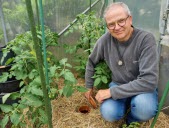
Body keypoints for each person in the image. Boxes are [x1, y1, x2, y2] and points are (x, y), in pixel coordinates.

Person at [84, 2, 159, 125]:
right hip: (118, 84)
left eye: (121, 21)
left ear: (130, 19)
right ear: (107, 26)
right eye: (111, 24)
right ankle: (124, 108)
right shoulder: (105, 41)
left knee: (144, 108)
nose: (117, 27)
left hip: (143, 90)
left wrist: (110, 92)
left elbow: (149, 81)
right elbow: (91, 61)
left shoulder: (145, 40)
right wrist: (88, 86)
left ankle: (131, 121)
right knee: (109, 112)